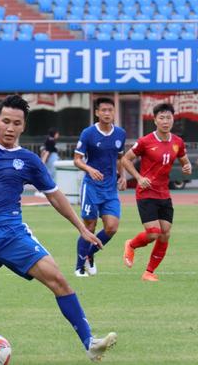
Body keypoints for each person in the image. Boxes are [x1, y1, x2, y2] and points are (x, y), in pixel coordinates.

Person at [0, 95, 117, 362]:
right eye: (6, 121)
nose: (10, 128)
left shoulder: (29, 160)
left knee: (58, 279)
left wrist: (82, 228)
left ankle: (90, 342)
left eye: (17, 123)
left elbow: (55, 195)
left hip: (13, 235)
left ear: (24, 126)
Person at [120, 103, 192, 282]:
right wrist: (138, 177)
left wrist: (187, 166)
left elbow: (184, 160)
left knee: (165, 232)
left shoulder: (177, 142)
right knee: (153, 233)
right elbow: (125, 159)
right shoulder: (145, 141)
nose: (165, 121)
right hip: (146, 192)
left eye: (168, 118)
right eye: (162, 118)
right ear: (155, 120)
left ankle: (149, 272)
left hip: (164, 193)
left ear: (173, 120)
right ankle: (131, 244)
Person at [72, 97, 127, 277]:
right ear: (97, 113)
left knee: (112, 227)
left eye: (110, 110)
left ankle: (89, 254)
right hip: (92, 187)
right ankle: (79, 268)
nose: (107, 113)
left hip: (110, 189)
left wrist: (123, 176)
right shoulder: (88, 133)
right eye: (103, 110)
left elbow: (120, 158)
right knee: (90, 227)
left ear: (114, 112)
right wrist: (90, 169)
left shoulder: (120, 133)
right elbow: (77, 160)